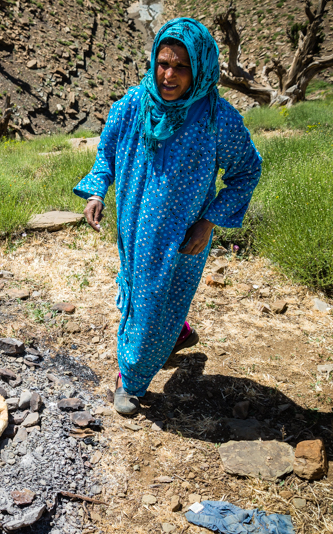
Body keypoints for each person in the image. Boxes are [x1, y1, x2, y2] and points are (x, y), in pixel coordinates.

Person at [74, 18, 262, 415]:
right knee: (149, 297)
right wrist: (96, 190)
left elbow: (246, 170)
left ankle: (131, 379)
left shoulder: (217, 119)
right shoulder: (133, 104)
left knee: (153, 299)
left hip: (182, 236)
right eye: (162, 63)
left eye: (181, 66)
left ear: (201, 68)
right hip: (133, 230)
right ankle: (177, 332)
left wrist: (209, 221)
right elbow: (106, 152)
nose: (168, 74)